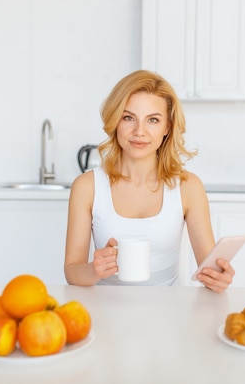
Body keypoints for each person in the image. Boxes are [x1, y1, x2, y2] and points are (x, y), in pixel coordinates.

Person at [63, 70, 234, 292]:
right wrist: (93, 270)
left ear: (167, 127)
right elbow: (71, 271)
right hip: (104, 309)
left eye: (153, 120)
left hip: (169, 311)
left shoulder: (188, 187)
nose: (139, 131)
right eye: (128, 118)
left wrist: (218, 279)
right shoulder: (87, 187)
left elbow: (210, 267)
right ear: (115, 122)